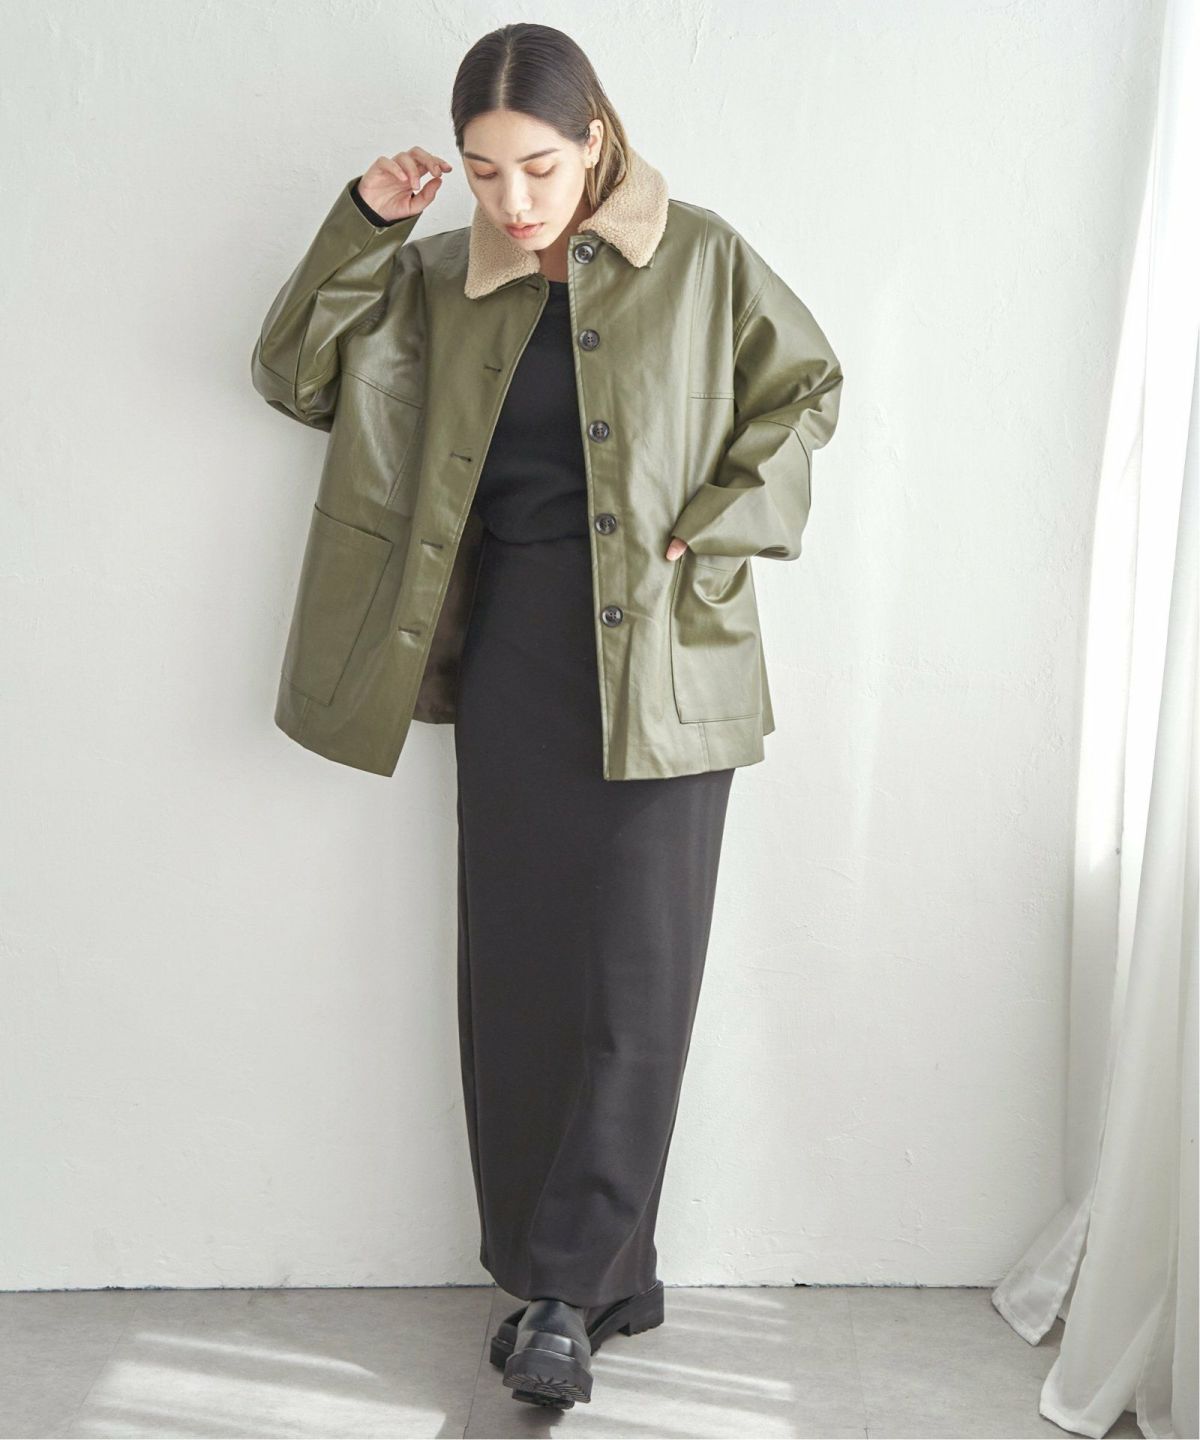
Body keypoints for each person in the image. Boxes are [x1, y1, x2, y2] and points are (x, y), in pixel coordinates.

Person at [253, 21, 843, 1411]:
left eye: (537, 166)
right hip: (516, 651)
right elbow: (293, 376)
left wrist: (718, 523)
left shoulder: (698, 256)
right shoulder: (435, 283)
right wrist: (364, 224)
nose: (512, 200)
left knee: (635, 979)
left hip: (671, 654)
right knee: (519, 972)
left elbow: (807, 390)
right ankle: (569, 1276)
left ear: (595, 141)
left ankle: (568, 1292)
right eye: (481, 172)